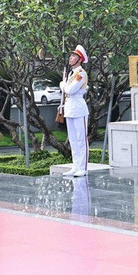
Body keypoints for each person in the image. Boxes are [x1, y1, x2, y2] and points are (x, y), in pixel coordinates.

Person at [60, 45, 90, 177]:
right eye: (71, 56)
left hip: (78, 108)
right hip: (69, 107)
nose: (70, 58)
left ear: (79, 59)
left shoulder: (81, 74)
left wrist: (62, 85)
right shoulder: (72, 73)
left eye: (73, 56)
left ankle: (82, 167)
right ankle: (75, 165)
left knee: (81, 139)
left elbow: (70, 90)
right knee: (72, 139)